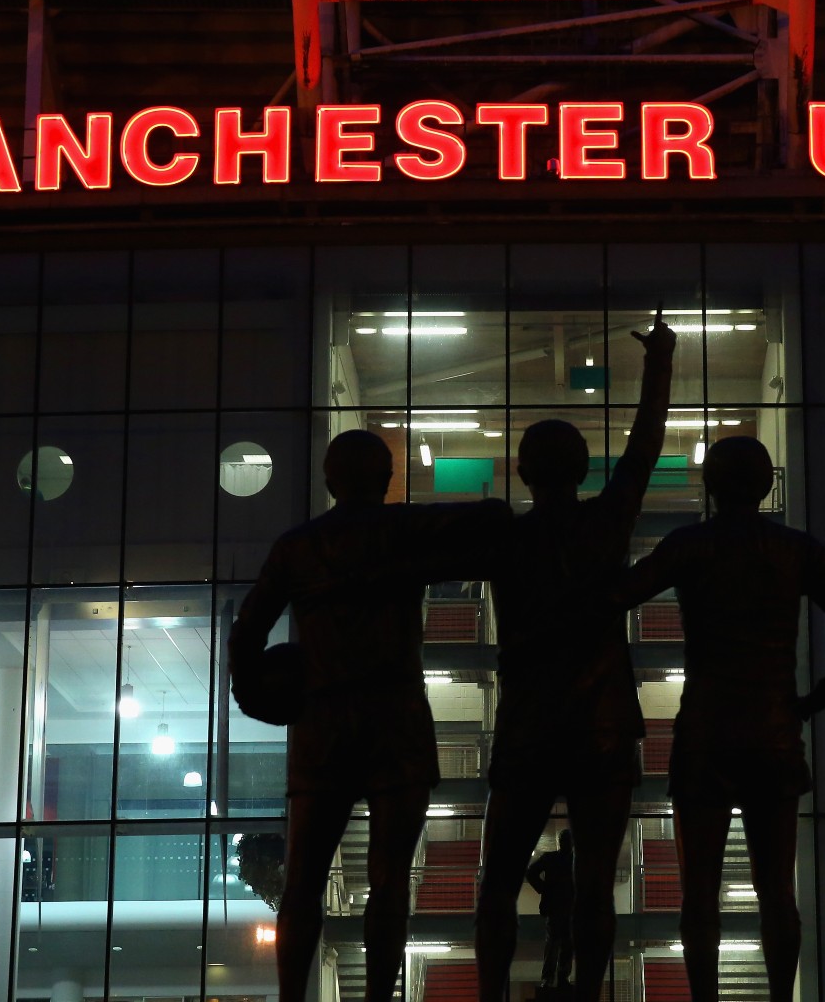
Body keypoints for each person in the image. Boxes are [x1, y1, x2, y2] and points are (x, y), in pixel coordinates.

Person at [227, 429, 508, 1002]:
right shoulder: (399, 529)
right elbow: (479, 521)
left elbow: (246, 633)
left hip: (323, 722)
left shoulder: (296, 547)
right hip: (394, 719)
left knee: (304, 881)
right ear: (383, 481)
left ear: (330, 481)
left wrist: (259, 698)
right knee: (389, 882)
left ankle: (290, 999)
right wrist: (496, 509)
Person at [610, 436, 825, 1002]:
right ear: (765, 487)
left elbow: (616, 596)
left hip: (706, 732)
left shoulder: (689, 545)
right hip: (774, 732)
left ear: (710, 485)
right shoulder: (798, 550)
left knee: (699, 895)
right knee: (776, 892)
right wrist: (816, 699)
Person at [472, 310, 676, 1002]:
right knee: (595, 881)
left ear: (523, 470)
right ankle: (589, 994)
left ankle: (493, 996)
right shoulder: (605, 521)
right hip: (603, 721)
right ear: (586, 469)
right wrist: (659, 366)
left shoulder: (503, 538)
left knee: (498, 881)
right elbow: (646, 447)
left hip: (529, 721)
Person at [525, 830, 576, 991]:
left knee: (560, 945)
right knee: (558, 945)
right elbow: (530, 873)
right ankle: (557, 978)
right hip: (562, 909)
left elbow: (531, 873)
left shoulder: (552, 859)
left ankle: (555, 978)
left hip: (564, 909)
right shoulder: (573, 861)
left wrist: (543, 889)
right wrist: (543, 889)